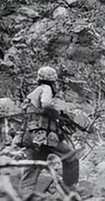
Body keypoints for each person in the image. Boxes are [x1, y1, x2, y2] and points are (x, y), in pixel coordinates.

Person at [18, 66, 79, 194]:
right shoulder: (46, 89)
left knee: (33, 166)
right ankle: (70, 189)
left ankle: (24, 196)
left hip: (30, 136)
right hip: (43, 136)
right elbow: (45, 103)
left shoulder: (33, 93)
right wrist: (57, 112)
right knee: (70, 157)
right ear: (52, 80)